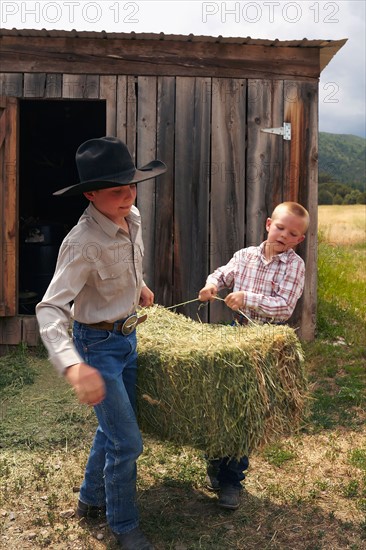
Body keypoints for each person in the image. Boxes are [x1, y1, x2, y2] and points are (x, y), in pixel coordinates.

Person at [36, 136, 166, 549]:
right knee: (127, 441)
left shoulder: (133, 215)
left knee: (112, 430)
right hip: (95, 347)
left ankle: (91, 498)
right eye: (116, 190)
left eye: (131, 185)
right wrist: (73, 365)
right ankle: (123, 526)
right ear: (90, 195)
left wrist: (139, 286)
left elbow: (129, 260)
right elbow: (50, 308)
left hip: (128, 338)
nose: (127, 195)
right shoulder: (81, 243)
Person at [198, 201, 310, 510]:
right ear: (268, 224)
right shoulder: (245, 256)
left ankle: (233, 479)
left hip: (265, 341)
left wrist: (249, 298)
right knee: (221, 400)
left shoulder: (293, 266)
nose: (284, 235)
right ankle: (215, 462)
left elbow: (285, 306)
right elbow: (224, 273)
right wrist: (211, 284)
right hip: (236, 334)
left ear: (299, 240)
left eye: (293, 233)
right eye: (281, 227)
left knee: (245, 410)